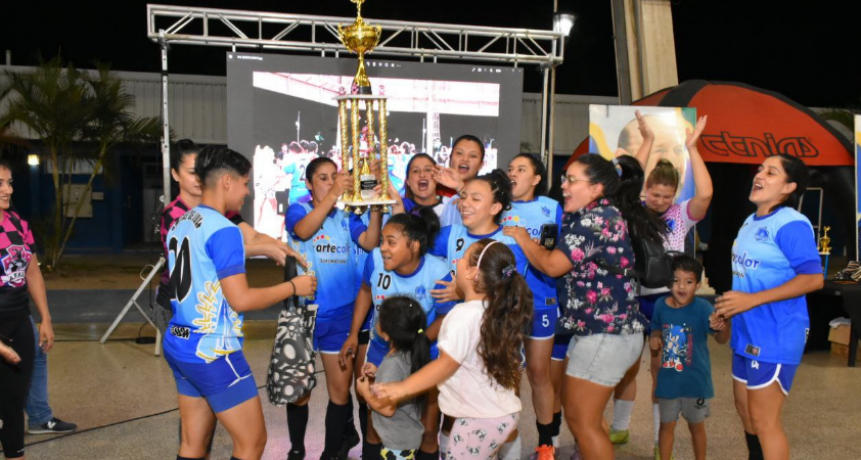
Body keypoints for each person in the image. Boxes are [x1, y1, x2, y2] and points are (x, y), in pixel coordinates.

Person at [507, 154, 665, 460]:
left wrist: (524, 239)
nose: (563, 186)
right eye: (565, 178)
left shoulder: (595, 220)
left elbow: (552, 266)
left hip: (605, 334)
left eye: (572, 180)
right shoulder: (594, 214)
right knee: (586, 419)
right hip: (598, 332)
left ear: (595, 189)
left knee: (583, 423)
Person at [163, 145, 317, 460]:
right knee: (252, 443)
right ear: (227, 183)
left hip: (180, 342)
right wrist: (293, 286)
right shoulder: (224, 230)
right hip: (213, 350)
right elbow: (242, 299)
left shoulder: (183, 222)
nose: (247, 192)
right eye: (246, 183)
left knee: (192, 444)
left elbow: (205, 264)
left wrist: (272, 247)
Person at [373, 239, 533, 460]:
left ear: (472, 273)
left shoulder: (462, 316)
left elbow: (445, 365)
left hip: (478, 419)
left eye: (463, 258)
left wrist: (402, 388)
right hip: (501, 412)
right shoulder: (494, 309)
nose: (456, 260)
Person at [609, 113, 712, 451]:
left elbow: (706, 195)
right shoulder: (633, 209)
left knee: (661, 372)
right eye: (655, 194)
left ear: (675, 194)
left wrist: (693, 148)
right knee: (625, 369)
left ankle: (658, 440)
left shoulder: (680, 215)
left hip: (667, 303)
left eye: (667, 196)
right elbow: (625, 182)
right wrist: (648, 141)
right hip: (632, 299)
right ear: (646, 189)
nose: (660, 201)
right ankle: (620, 427)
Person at [715, 154, 823, 460]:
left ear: (789, 186)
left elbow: (814, 279)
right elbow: (748, 280)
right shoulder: (750, 222)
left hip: (776, 334)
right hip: (746, 332)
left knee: (765, 420)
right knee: (746, 413)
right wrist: (729, 310)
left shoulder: (791, 223)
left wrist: (751, 300)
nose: (759, 175)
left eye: (771, 172)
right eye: (760, 169)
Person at [284, 157, 383, 460]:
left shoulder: (345, 218)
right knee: (298, 392)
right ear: (310, 184)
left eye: (333, 177)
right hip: (300, 315)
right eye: (323, 178)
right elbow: (302, 231)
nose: (330, 182)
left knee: (339, 394)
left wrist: (377, 206)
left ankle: (330, 452)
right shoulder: (298, 210)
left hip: (340, 318)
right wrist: (331, 196)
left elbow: (368, 242)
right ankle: (297, 448)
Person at [342, 209, 453, 460]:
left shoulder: (438, 272)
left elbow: (446, 315)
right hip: (382, 350)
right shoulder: (374, 260)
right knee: (376, 420)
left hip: (426, 355)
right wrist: (353, 333)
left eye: (391, 242)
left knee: (426, 424)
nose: (383, 248)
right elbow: (363, 291)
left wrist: (421, 341)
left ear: (413, 246)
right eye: (382, 240)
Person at [501, 153, 563, 458]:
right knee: (509, 375)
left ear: (536, 178)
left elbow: (555, 255)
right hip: (505, 306)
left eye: (521, 169)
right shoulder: (498, 206)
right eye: (510, 168)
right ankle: (509, 444)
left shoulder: (550, 208)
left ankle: (546, 442)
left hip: (542, 302)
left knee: (539, 373)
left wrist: (528, 242)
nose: (513, 173)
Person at [0, 159, 55, 460]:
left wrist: (44, 318)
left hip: (19, 320)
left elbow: (32, 272)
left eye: (9, 183)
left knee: (12, 406)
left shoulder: (18, 223)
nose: (8, 189)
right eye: (1, 183)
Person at [650, 255, 729, 460]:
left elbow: (721, 339)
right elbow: (656, 329)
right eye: (676, 281)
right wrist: (655, 339)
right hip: (668, 381)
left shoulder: (703, 309)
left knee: (697, 428)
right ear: (669, 282)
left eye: (689, 281)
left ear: (698, 284)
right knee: (666, 426)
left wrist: (724, 324)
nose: (682, 287)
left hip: (696, 382)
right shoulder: (660, 305)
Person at [356, 296, 432, 460]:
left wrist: (365, 393)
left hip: (397, 442)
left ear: (386, 332)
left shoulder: (393, 363)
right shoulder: (408, 351)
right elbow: (401, 378)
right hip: (406, 435)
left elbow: (387, 409)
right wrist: (378, 372)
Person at [432, 135, 485, 226]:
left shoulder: (488, 192)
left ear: (481, 164)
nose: (465, 159)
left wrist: (460, 188)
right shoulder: (433, 187)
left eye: (473, 155)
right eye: (459, 153)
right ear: (450, 158)